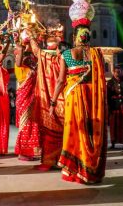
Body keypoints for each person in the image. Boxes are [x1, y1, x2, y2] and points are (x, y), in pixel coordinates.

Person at [50, 26, 107, 184]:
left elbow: (61, 80)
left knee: (75, 130)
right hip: (93, 97)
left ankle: (76, 170)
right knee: (90, 130)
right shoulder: (96, 54)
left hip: (74, 96)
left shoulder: (67, 54)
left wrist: (53, 101)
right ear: (89, 38)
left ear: (75, 37)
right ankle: (91, 170)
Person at [29, 38, 68, 171]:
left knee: (51, 134)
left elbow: (36, 51)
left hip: (53, 102)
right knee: (65, 134)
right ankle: (64, 161)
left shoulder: (51, 60)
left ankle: (52, 160)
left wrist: (32, 38)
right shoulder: (70, 61)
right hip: (67, 102)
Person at [14, 39, 41, 161]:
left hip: (33, 95)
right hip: (24, 94)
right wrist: (20, 44)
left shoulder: (32, 64)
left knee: (33, 123)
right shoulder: (20, 62)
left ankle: (30, 151)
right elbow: (19, 61)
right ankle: (23, 152)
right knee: (25, 123)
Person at [107, 66, 123, 150]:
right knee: (114, 126)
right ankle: (113, 144)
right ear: (113, 72)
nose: (118, 73)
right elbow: (108, 96)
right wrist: (109, 107)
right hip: (114, 107)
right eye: (117, 72)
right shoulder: (110, 82)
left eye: (120, 71)